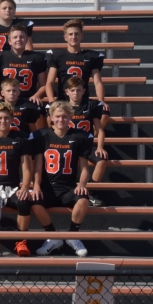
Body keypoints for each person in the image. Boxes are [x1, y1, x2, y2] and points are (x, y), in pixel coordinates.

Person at [0, 102, 42, 257]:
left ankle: (21, 241)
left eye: (6, 118)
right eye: (0, 118)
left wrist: (25, 187)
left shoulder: (20, 138)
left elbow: (26, 165)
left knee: (24, 200)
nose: (3, 121)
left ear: (11, 119)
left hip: (13, 186)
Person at [32, 101, 96, 257]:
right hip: (48, 187)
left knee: (83, 198)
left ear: (70, 117)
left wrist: (81, 184)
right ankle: (53, 236)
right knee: (32, 201)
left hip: (68, 187)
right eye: (58, 116)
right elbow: (38, 166)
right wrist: (36, 186)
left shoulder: (78, 136)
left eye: (65, 116)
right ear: (51, 117)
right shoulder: (43, 135)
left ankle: (72, 234)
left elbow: (84, 167)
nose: (61, 119)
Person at [62, 76, 109, 205]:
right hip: (66, 145)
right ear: (67, 92)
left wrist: (99, 147)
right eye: (72, 90)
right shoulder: (62, 107)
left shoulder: (91, 105)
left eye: (78, 90)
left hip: (85, 146)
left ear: (84, 91)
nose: (75, 93)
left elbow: (99, 130)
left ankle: (91, 191)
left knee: (102, 160)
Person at [45, 19, 106, 104]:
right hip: (63, 100)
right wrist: (51, 100)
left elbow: (98, 82)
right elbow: (50, 82)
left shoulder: (91, 56)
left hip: (83, 101)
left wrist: (101, 101)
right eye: (70, 34)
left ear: (82, 36)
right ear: (65, 37)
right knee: (49, 116)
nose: (74, 37)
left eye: (76, 34)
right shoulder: (57, 56)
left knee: (104, 113)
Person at [0, 25, 48, 104]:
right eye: (15, 37)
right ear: (9, 41)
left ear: (27, 40)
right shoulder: (0, 57)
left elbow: (43, 85)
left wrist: (36, 96)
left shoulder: (37, 58)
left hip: (28, 100)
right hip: (7, 100)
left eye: (22, 37)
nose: (19, 39)